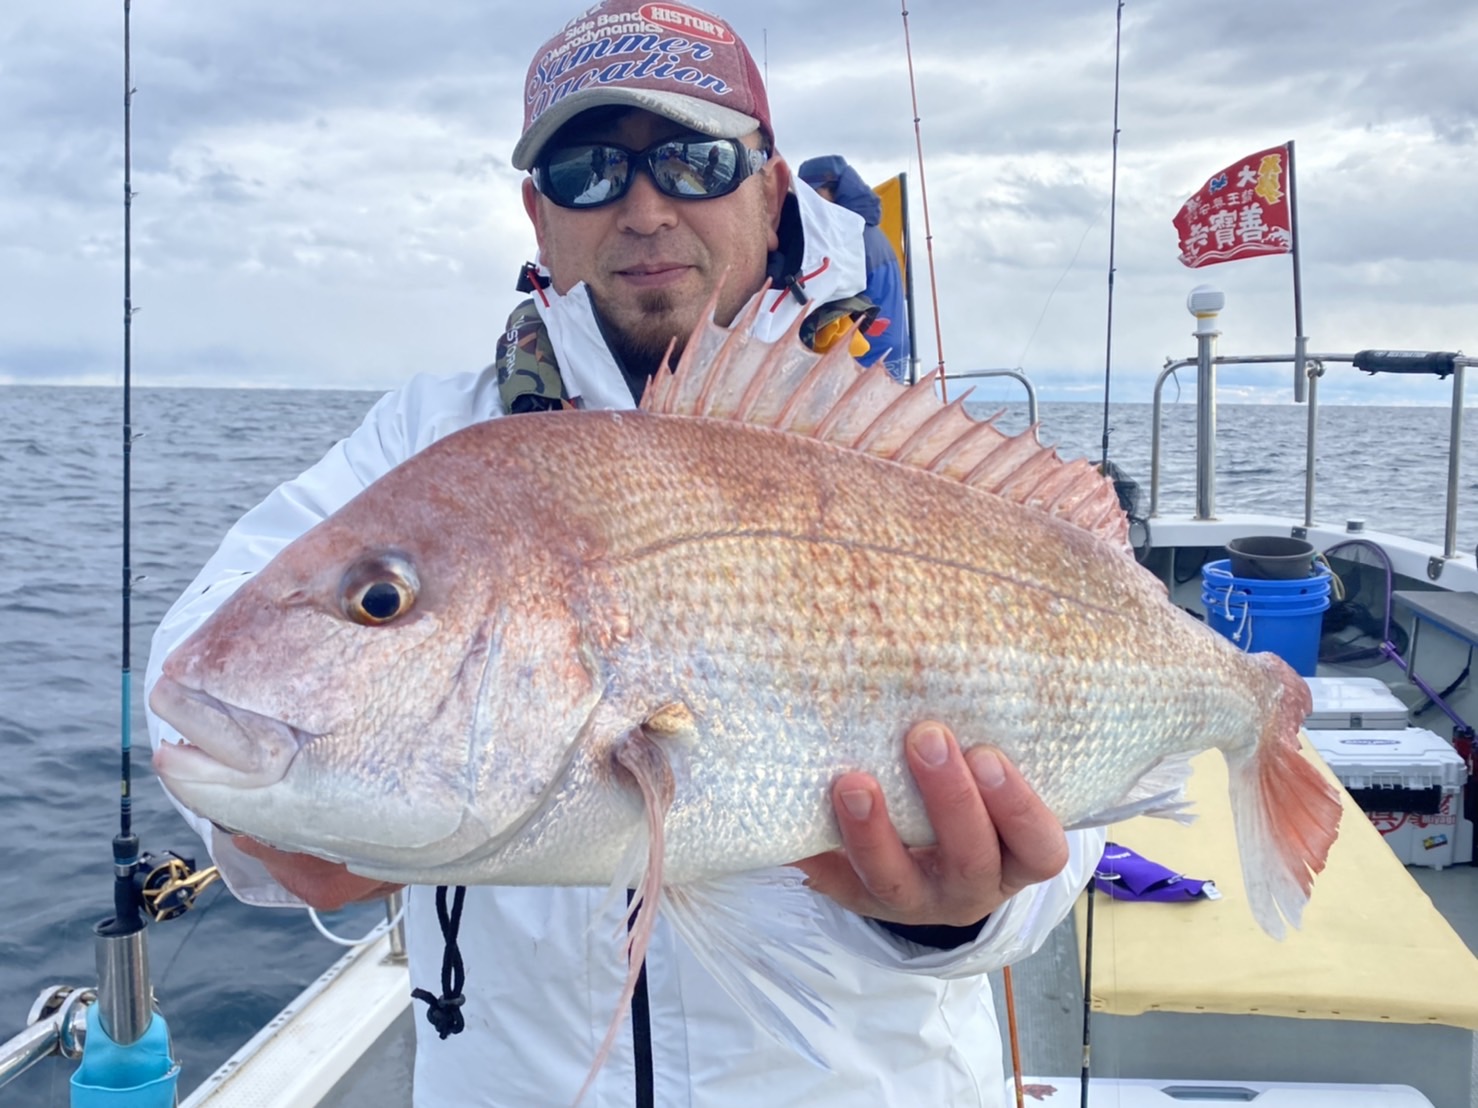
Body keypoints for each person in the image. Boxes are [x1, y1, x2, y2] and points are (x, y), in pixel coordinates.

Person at [145, 2, 1103, 1105]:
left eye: (694, 161)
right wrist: (265, 832)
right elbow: (202, 669)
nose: (645, 209)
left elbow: (1075, 770)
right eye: (589, 171)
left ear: (769, 186)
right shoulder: (437, 446)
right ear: (537, 217)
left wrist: (976, 908)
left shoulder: (907, 460)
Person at [798, 155, 912, 383]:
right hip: (891, 356)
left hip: (861, 360)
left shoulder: (843, 236)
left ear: (833, 191)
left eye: (811, 194)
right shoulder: (871, 233)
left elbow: (818, 300)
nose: (805, 203)